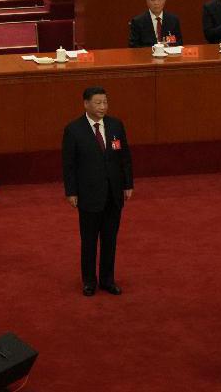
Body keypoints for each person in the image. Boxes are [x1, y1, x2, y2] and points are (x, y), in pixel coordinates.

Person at [62, 86, 133, 297]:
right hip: (88, 195)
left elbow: (125, 157)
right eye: (98, 103)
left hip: (113, 194)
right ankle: (89, 281)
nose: (103, 107)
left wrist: (128, 184)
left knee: (110, 239)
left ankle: (107, 280)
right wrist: (71, 192)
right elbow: (69, 165)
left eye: (105, 102)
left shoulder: (115, 126)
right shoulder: (73, 130)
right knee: (90, 240)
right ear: (86, 104)